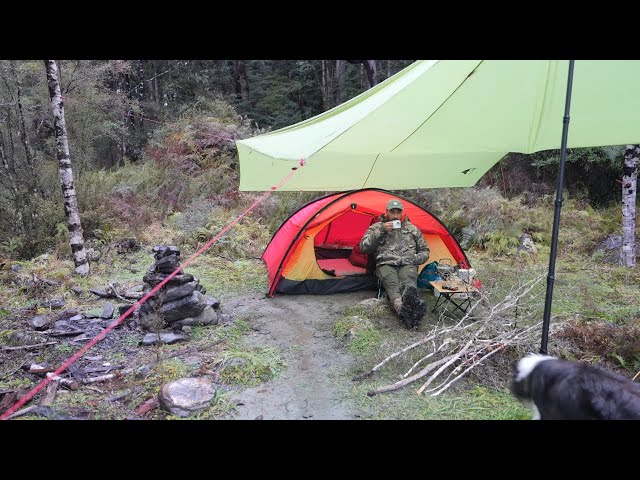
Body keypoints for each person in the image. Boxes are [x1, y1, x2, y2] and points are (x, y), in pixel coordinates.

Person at [359, 199, 430, 328]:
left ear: (402, 213)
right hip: (386, 263)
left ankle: (411, 304)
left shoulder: (412, 229)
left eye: (398, 212)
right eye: (392, 212)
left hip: (408, 263)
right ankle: (404, 310)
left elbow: (425, 251)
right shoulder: (376, 227)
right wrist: (382, 230)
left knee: (408, 282)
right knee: (392, 284)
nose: (396, 215)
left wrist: (415, 259)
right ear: (386, 212)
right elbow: (364, 248)